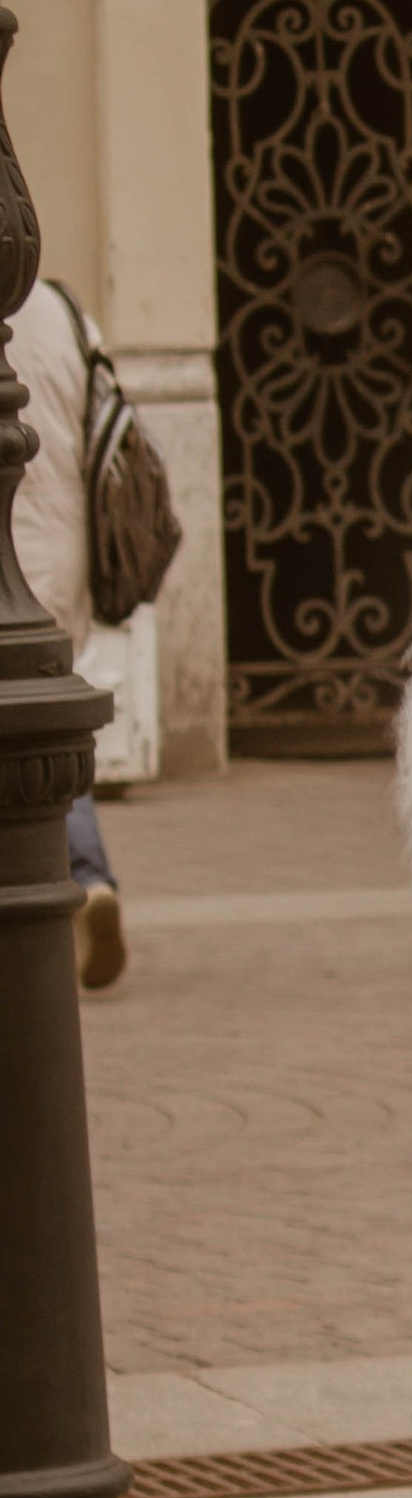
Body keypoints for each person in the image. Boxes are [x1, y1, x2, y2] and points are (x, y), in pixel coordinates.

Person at [6, 276, 123, 991]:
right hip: (65, 543)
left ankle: (82, 875)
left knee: (23, 727)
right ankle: (87, 882)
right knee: (43, 717)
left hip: (10, 548)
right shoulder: (62, 308)